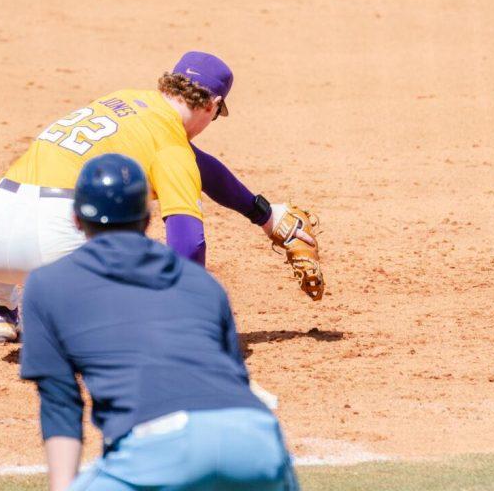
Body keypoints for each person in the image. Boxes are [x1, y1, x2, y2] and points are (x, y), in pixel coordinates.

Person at [0, 50, 323, 344]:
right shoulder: (171, 147)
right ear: (212, 105)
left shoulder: (125, 101)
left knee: (58, 195)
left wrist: (263, 214)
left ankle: (0, 310)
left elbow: (203, 168)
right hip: (51, 250)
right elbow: (188, 244)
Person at [20, 153, 300, 491]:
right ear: (147, 218)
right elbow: (234, 380)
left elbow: (60, 403)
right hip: (258, 443)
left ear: (76, 218)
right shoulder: (203, 284)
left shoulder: (47, 286)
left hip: (158, 448)